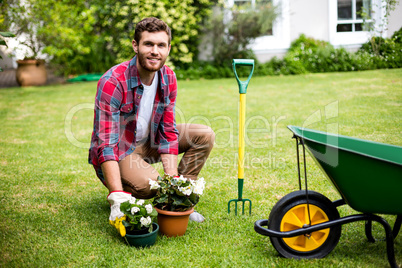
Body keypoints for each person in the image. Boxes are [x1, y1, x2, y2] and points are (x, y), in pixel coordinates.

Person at [88, 17, 215, 229]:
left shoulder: (168, 78)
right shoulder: (113, 81)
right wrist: (116, 197)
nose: (155, 51)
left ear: (168, 48)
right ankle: (127, 191)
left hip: (149, 142)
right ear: (135, 46)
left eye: (161, 45)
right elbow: (105, 144)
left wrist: (174, 183)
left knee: (205, 135)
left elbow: (167, 132)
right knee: (152, 186)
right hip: (120, 150)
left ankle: (180, 202)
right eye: (148, 44)